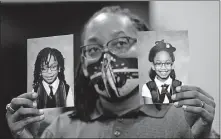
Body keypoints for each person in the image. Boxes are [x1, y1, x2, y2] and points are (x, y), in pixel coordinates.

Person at [6, 6, 217, 138]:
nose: (106, 57)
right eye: (94, 48)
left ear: (146, 51)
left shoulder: (183, 121)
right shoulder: (60, 129)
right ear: (84, 66)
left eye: (121, 42)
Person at [142, 40, 183, 106]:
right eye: (158, 63)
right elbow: (150, 111)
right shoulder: (147, 88)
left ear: (172, 65)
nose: (163, 67)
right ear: (153, 66)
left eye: (167, 63)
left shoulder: (180, 86)